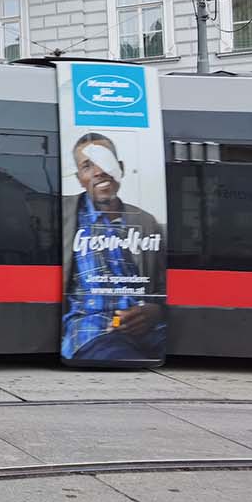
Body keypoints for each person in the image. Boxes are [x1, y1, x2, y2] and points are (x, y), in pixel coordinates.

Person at [61, 132, 166, 362]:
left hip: (146, 328)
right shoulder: (61, 214)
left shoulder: (146, 222)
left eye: (105, 161)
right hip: (93, 329)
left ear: (120, 168)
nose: (99, 171)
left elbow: (162, 290)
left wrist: (153, 312)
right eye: (88, 166)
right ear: (79, 178)